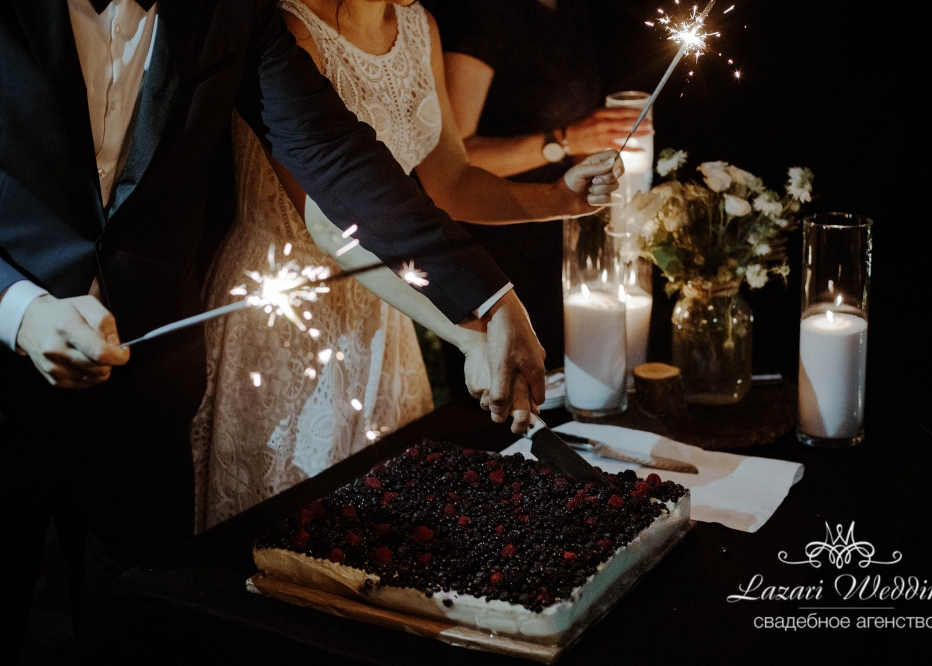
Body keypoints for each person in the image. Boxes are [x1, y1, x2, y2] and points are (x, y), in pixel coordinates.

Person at [0, 0, 587, 655]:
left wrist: (491, 302)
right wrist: (19, 308)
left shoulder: (231, 11)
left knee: (145, 633)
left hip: (146, 395)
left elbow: (337, 157)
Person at [190, 0, 622, 531]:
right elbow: (334, 230)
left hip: (389, 311)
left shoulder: (418, 26)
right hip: (287, 309)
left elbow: (452, 183)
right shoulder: (291, 28)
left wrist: (557, 198)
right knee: (290, 529)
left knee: (391, 528)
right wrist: (467, 334)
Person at [425, 0, 651, 396]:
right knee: (505, 392)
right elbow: (455, 158)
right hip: (498, 239)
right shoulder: (485, 15)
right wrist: (566, 140)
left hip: (556, 235)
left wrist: (604, 159)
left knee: (571, 386)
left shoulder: (571, 13)